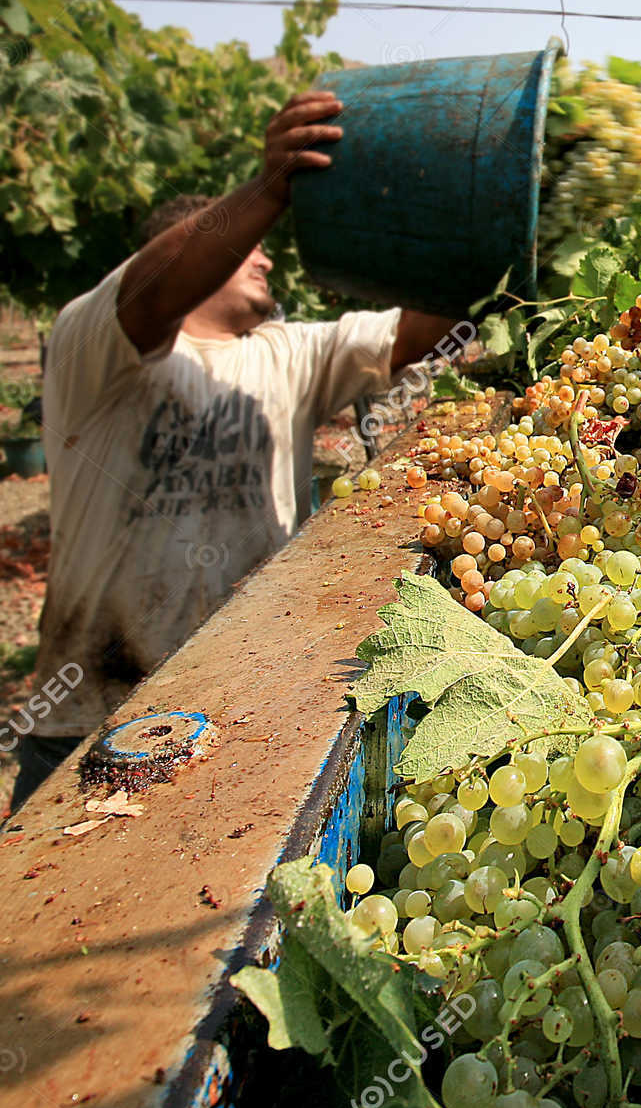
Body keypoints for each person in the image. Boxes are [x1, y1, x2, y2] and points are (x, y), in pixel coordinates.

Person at [11, 91, 457, 810]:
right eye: (248, 244)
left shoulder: (287, 352)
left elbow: (416, 332)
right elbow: (154, 287)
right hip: (87, 720)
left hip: (237, 705)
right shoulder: (95, 345)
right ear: (199, 244)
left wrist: (482, 232)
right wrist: (266, 189)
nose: (267, 259)